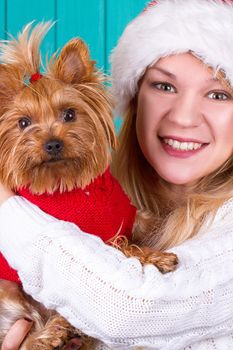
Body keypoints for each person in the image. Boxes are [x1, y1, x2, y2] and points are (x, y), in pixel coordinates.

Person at [1, 0, 233, 349]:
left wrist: (6, 208)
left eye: (219, 94)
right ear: (134, 97)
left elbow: (131, 309)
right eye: (164, 86)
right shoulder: (115, 201)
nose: (184, 118)